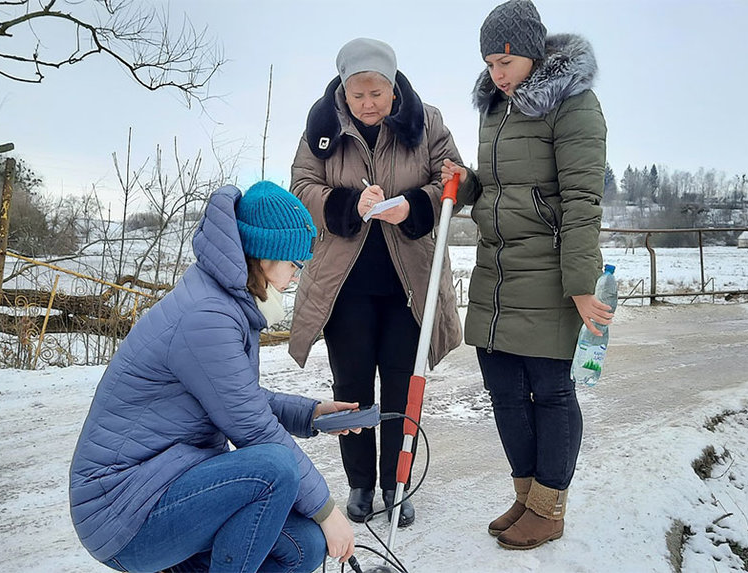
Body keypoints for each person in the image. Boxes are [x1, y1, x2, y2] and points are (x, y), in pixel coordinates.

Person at [69, 181, 358, 572]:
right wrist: (327, 512)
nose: (294, 278)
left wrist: (310, 414)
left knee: (303, 546)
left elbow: (236, 397)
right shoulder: (207, 315)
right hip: (123, 508)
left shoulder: (223, 302)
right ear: (263, 255)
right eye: (293, 264)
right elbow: (252, 426)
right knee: (275, 467)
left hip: (168, 481)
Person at [441, 0, 612, 550]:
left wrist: (582, 287)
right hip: (496, 269)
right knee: (505, 392)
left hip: (549, 269)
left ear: (532, 53)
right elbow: (497, 187)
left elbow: (582, 199)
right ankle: (526, 495)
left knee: (551, 391)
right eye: (489, 63)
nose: (495, 74)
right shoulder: (497, 107)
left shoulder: (575, 104)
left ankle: (550, 506)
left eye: (504, 61)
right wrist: (465, 182)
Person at [289, 38, 463, 527]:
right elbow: (301, 186)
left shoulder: (426, 122)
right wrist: (348, 205)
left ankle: (397, 483)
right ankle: (361, 484)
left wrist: (416, 205)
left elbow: (453, 178)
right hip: (346, 288)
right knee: (352, 388)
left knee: (403, 388)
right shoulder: (321, 127)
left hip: (410, 284)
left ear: (393, 87)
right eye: (358, 95)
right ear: (344, 90)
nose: (368, 105)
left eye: (377, 95)